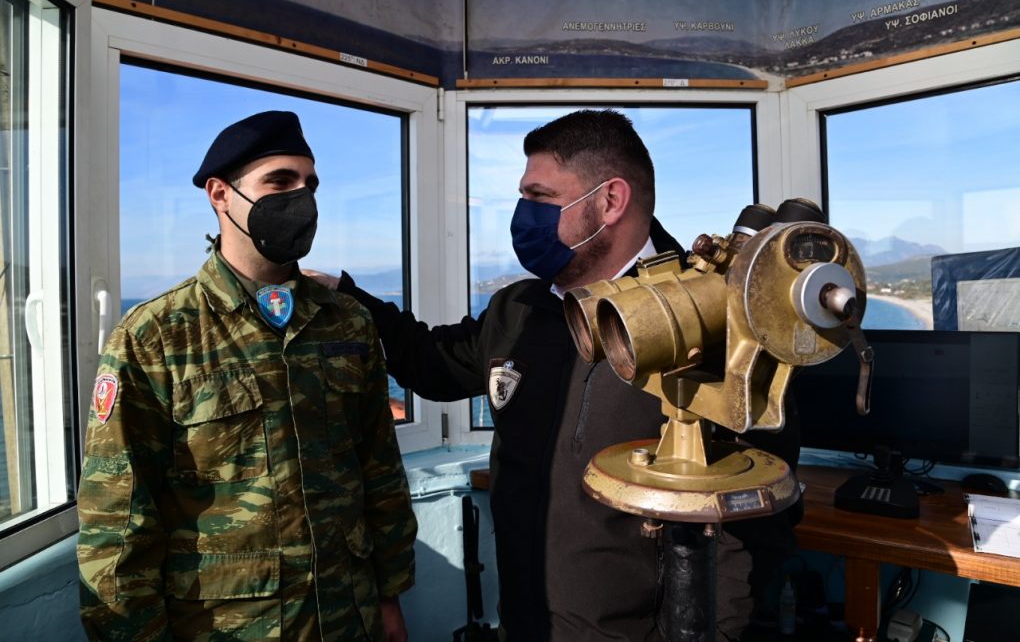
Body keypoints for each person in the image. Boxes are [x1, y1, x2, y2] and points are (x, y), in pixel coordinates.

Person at [309, 109, 800, 641]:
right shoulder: (518, 310)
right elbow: (433, 363)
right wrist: (346, 297)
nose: (523, 214)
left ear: (610, 201)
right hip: (525, 622)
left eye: (539, 197)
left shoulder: (711, 324)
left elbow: (752, 524)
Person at [76, 110, 417, 642]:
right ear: (220, 195)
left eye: (310, 184)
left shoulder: (347, 321)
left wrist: (390, 596)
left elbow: (379, 471)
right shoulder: (155, 336)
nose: (302, 198)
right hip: (227, 627)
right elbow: (118, 522)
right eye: (280, 181)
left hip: (348, 616)